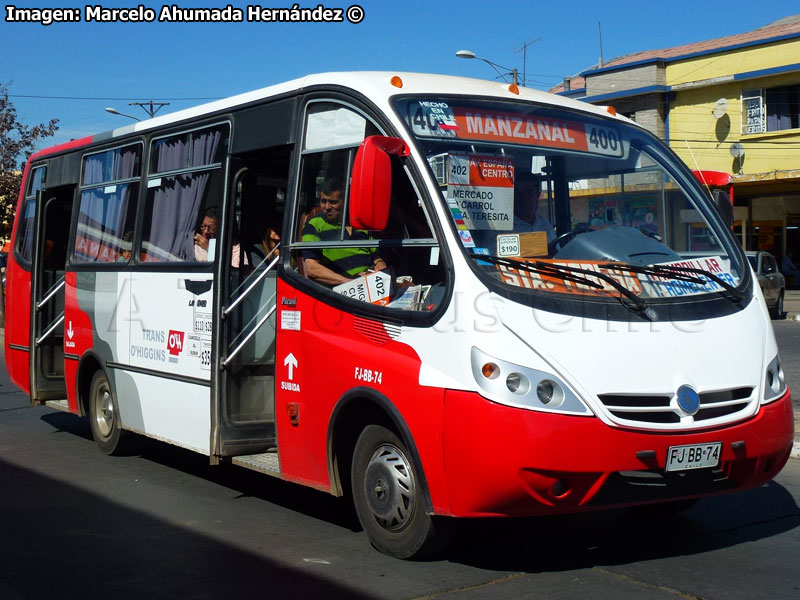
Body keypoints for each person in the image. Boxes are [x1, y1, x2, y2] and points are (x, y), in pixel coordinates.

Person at [301, 178, 386, 286]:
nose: (327, 207)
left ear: (346, 201)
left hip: (370, 283)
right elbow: (311, 268)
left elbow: (377, 259)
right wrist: (351, 283)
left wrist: (380, 266)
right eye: (323, 201)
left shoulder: (360, 225)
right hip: (339, 292)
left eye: (333, 202)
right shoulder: (314, 226)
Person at [512, 175, 555, 243]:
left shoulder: (545, 224)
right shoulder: (503, 227)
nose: (524, 198)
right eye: (519, 193)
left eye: (529, 193)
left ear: (537, 195)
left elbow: (557, 252)